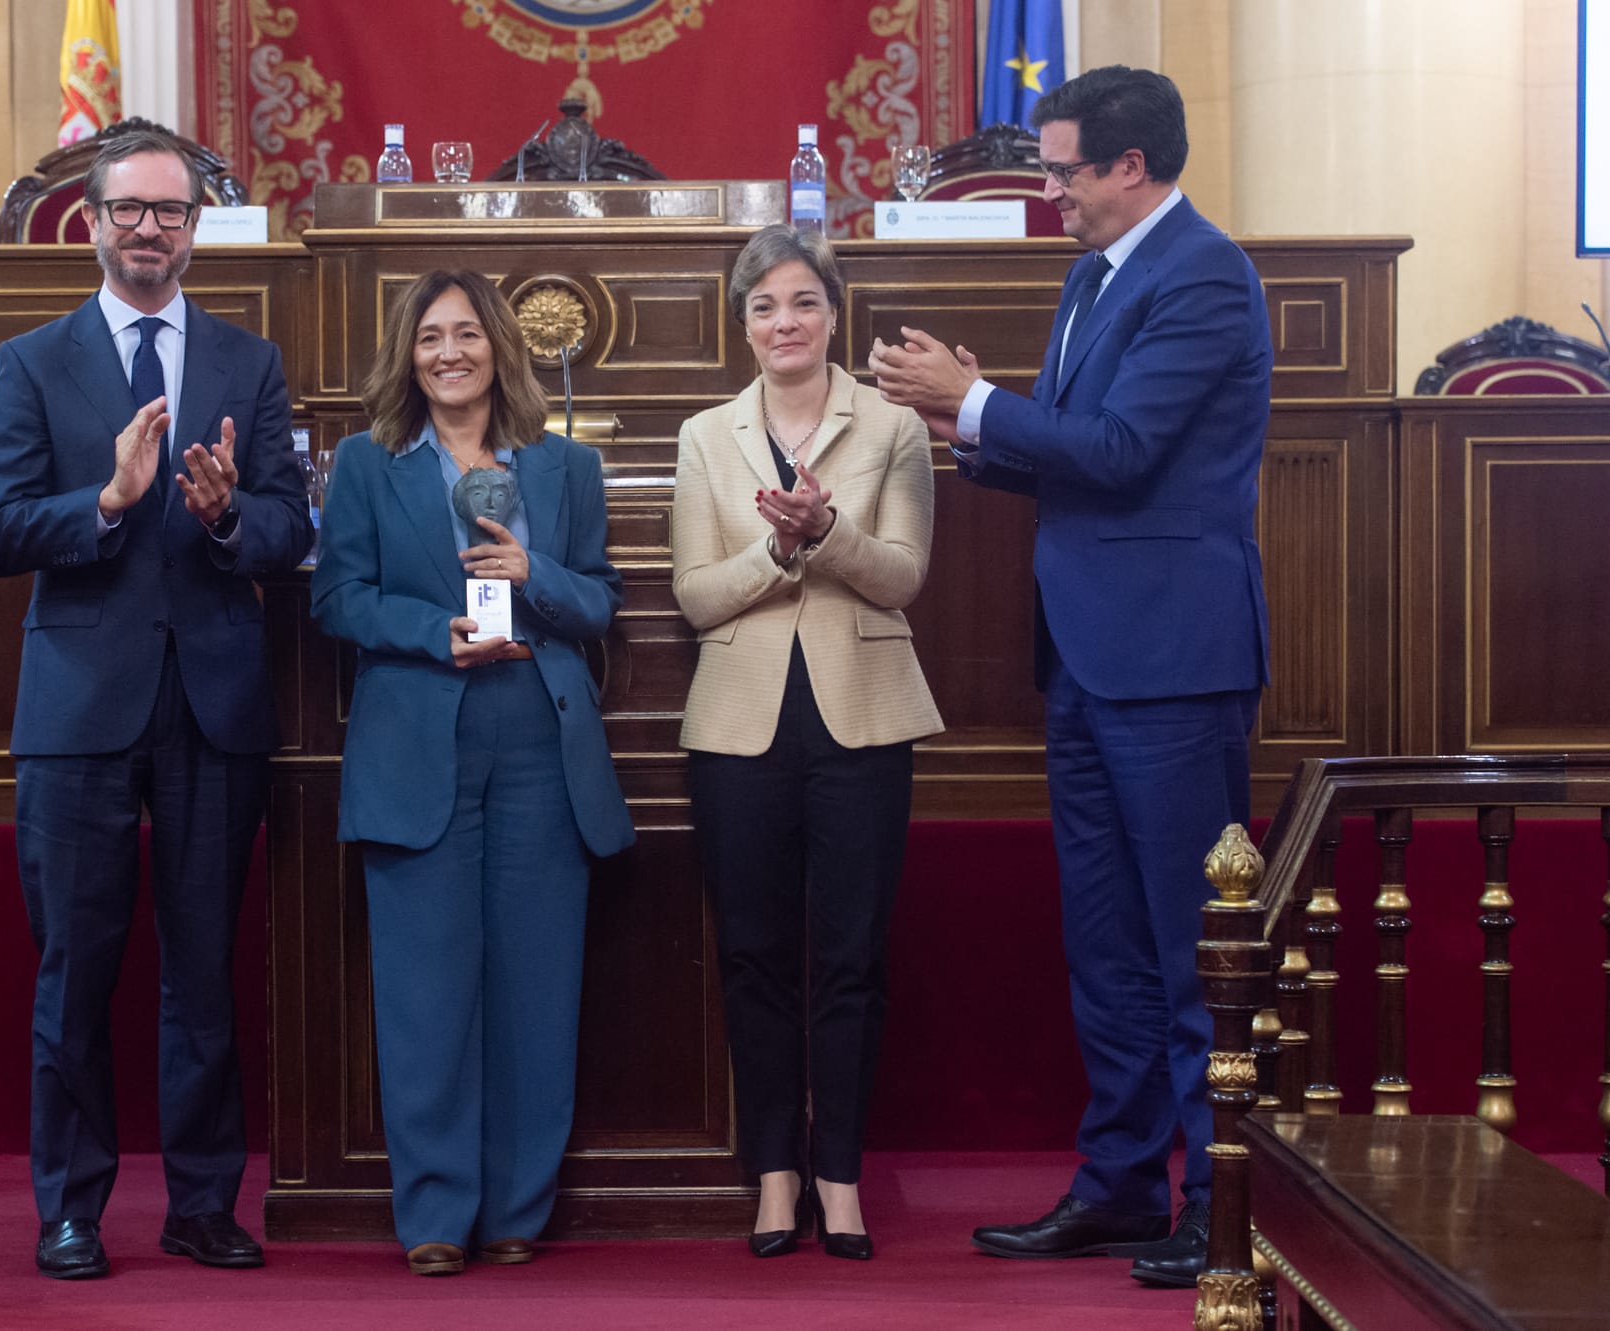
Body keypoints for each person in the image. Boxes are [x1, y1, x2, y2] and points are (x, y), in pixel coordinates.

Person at [870, 65, 1271, 1288]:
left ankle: (1216, 1204)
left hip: (1169, 662)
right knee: (1101, 943)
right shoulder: (1095, 274)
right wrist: (969, 424)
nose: (1045, 192)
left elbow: (1125, 449)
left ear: (1128, 168)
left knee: (1183, 945)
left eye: (1060, 170)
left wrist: (978, 399)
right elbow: (1069, 452)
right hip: (1088, 655)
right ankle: (1113, 1187)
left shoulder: (1202, 272)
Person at [0, 126, 314, 1280]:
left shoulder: (246, 361)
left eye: (170, 212)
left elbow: (287, 526)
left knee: (203, 968)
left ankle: (203, 1202)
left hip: (213, 706)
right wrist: (108, 500)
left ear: (193, 228)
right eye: (129, 209)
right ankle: (69, 1208)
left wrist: (224, 518)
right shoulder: (35, 358)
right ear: (95, 219)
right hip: (78, 713)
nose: (149, 229)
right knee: (75, 965)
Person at [310, 269, 634, 1276]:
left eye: (465, 333)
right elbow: (337, 599)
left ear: (500, 344)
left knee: (537, 986)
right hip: (418, 736)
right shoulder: (367, 464)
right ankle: (437, 1212)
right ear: (407, 355)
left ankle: (516, 1207)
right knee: (424, 987)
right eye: (427, 337)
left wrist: (537, 578)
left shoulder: (565, 466)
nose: (447, 352)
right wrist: (428, 631)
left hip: (539, 735)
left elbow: (599, 603)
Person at [673, 224, 942, 1261]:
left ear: (834, 312)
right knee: (751, 953)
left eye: (801, 303)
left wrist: (828, 534)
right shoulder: (707, 433)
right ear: (741, 325)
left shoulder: (889, 427)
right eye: (762, 307)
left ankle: (840, 1177)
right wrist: (778, 549)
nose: (783, 323)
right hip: (738, 717)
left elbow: (905, 574)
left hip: (862, 712)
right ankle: (772, 1174)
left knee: (848, 957)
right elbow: (696, 596)